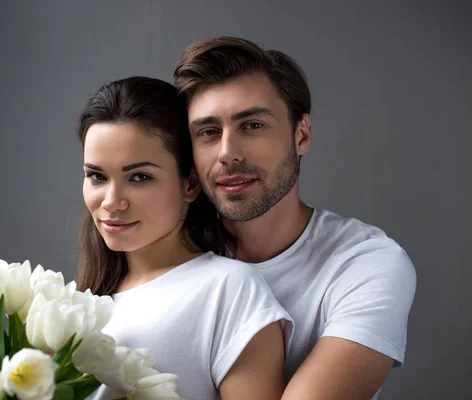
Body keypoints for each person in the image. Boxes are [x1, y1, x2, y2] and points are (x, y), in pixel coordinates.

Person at [173, 36, 417, 400]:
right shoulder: (168, 254)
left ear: (301, 135)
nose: (227, 153)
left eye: (252, 125)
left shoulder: (367, 264)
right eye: (208, 132)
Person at [75, 76, 293, 400]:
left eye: (140, 177)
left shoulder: (229, 290)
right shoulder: (78, 302)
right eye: (97, 176)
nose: (111, 201)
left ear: (190, 184)